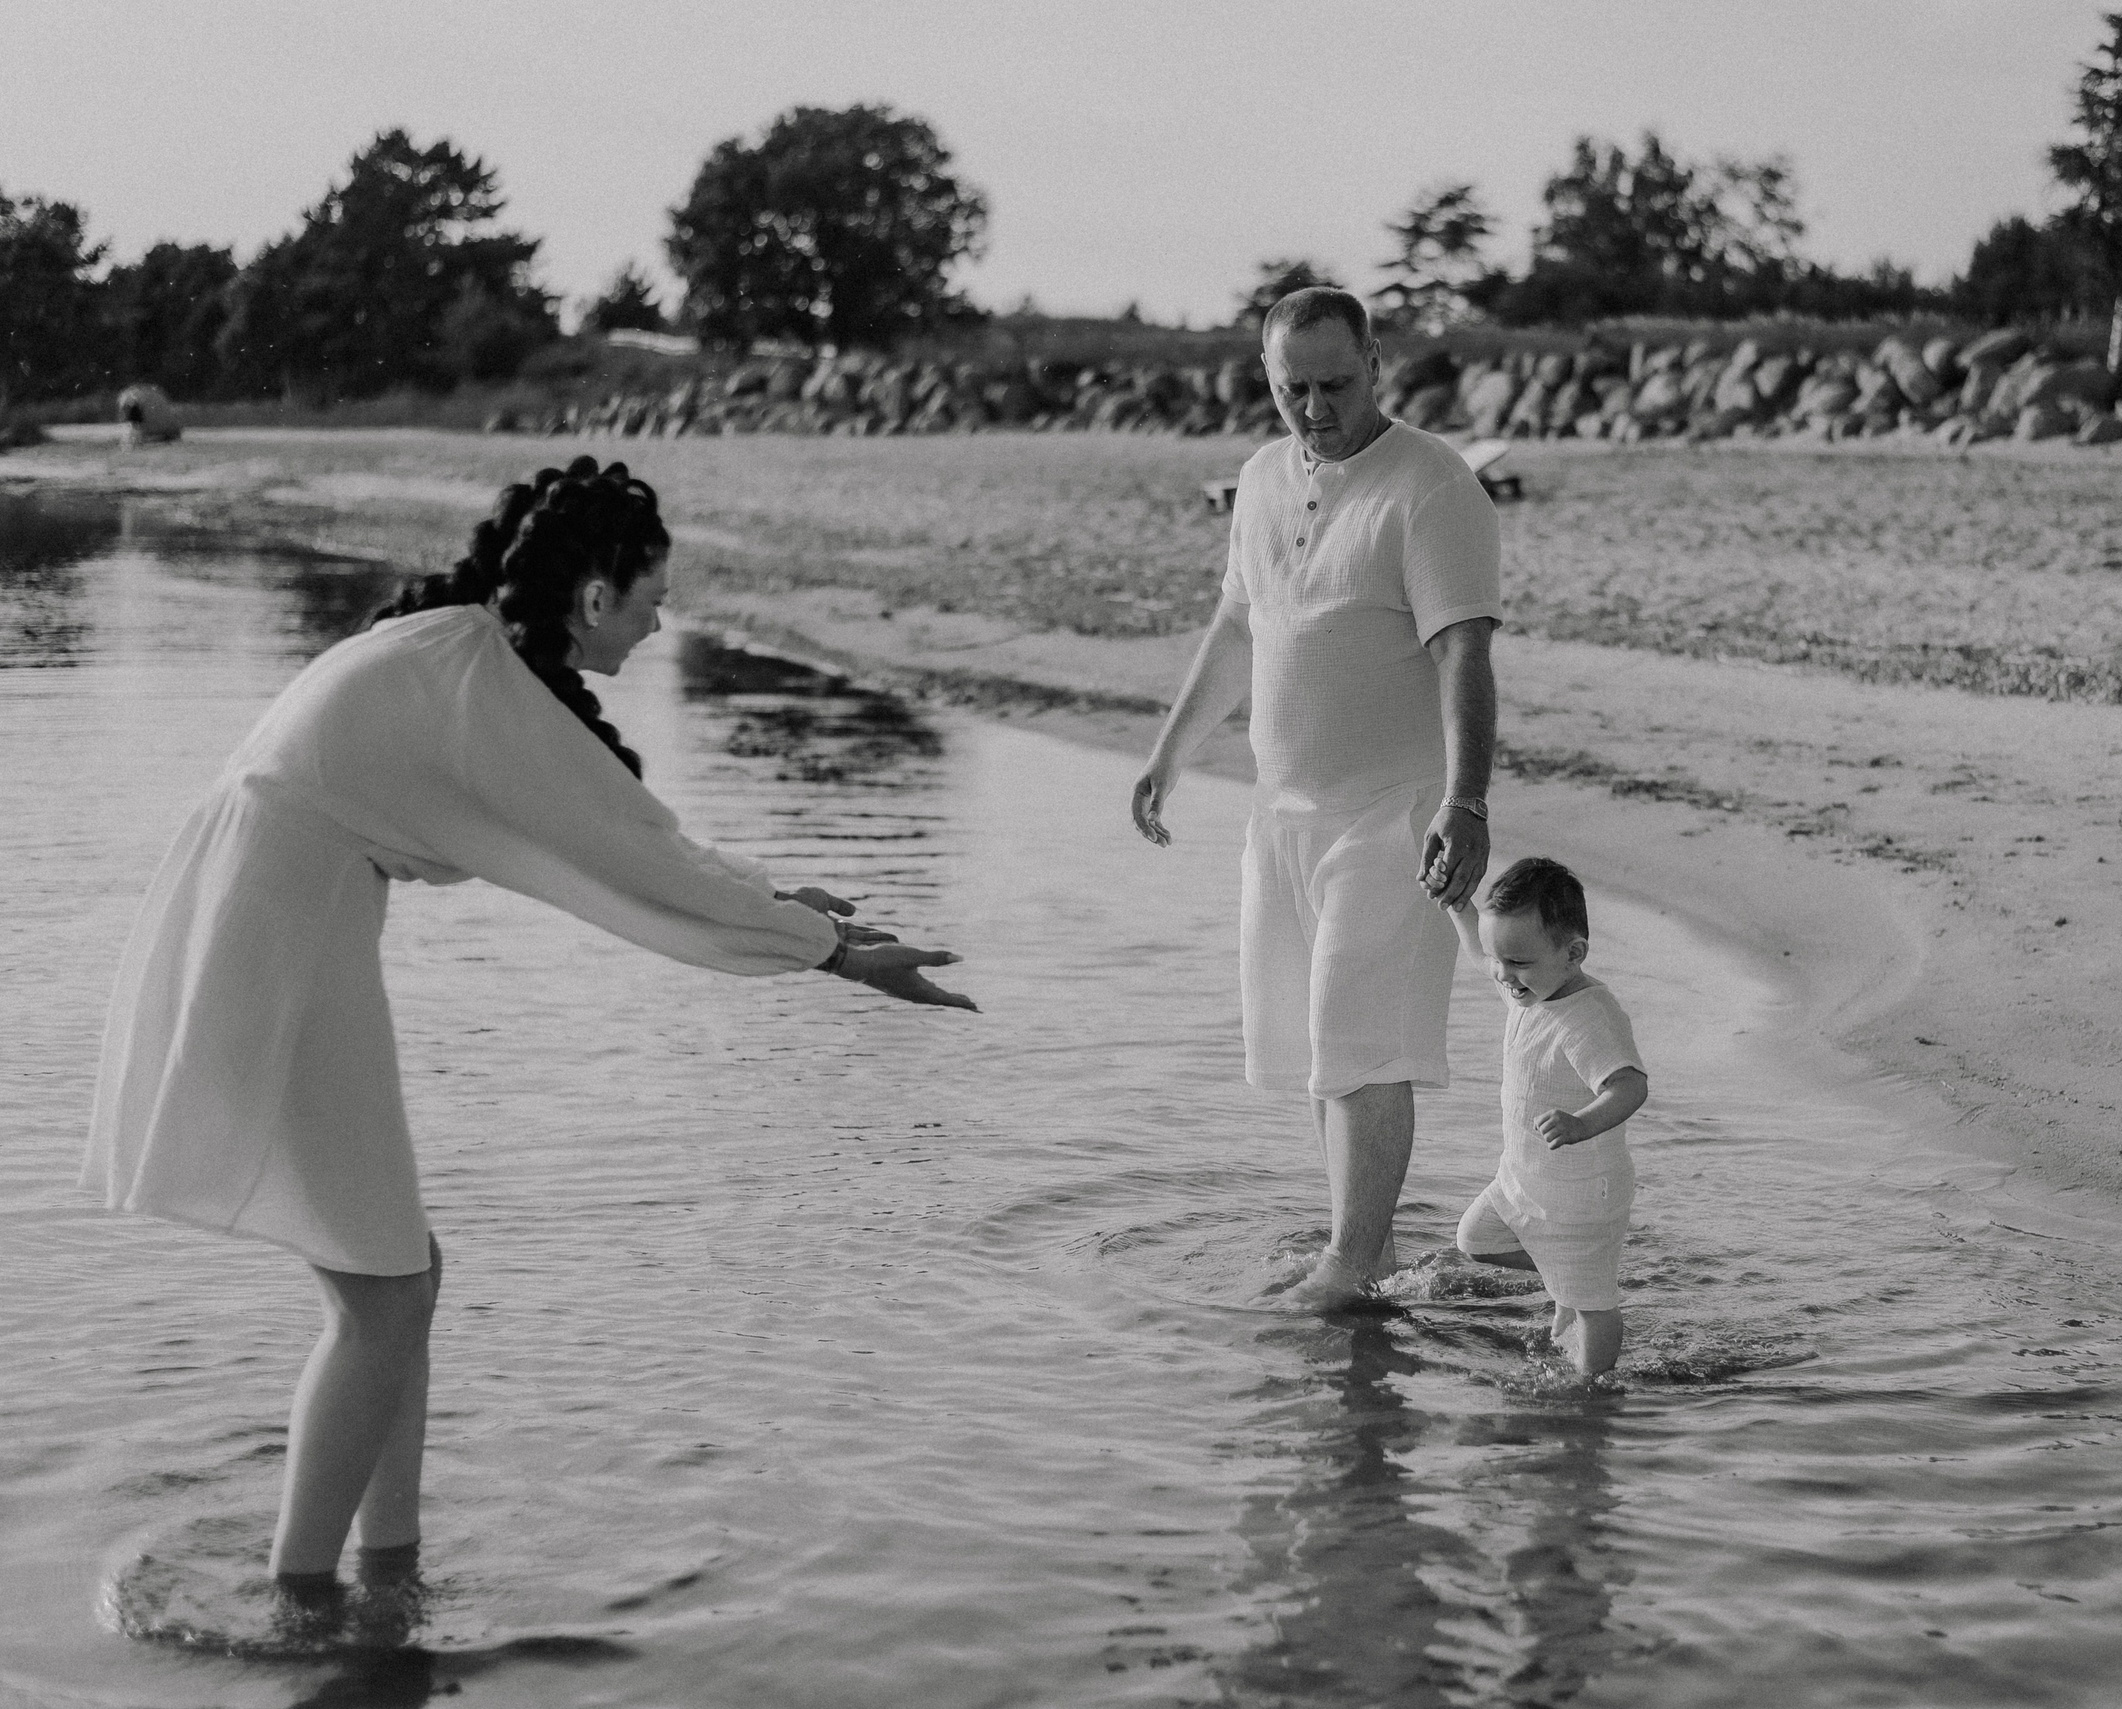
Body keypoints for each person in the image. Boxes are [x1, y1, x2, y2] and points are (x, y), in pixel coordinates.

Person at [84, 457, 972, 1618]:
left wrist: (786, 904)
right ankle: (304, 1600)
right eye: (652, 598)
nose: (659, 625)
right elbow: (626, 851)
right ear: (595, 594)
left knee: (399, 1276)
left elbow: (627, 837)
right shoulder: (482, 680)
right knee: (381, 1292)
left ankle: (386, 1564)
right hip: (276, 933)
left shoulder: (462, 653)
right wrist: (831, 952)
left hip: (275, 911)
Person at [1131, 286, 1500, 1310]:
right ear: (1267, 378)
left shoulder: (1431, 487)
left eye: (1335, 384)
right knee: (1314, 1050)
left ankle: (1356, 1251)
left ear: (1377, 363)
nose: (1315, 407)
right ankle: (1362, 1248)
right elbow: (1239, 627)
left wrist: (1465, 802)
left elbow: (1463, 647)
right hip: (1281, 814)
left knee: (1365, 1036)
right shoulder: (1257, 476)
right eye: (1293, 387)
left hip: (1393, 811)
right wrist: (1168, 755)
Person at [1446, 859, 1649, 1376]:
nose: (1501, 973)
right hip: (1523, 1181)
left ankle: (1593, 1391)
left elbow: (1629, 1085)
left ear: (1573, 953)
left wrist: (1583, 1123)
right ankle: (1564, 1279)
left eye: (1516, 962)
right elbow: (1478, 948)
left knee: (1593, 1305)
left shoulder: (1588, 1019)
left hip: (1581, 1195)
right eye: (1498, 958)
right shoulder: (1532, 986)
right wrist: (1456, 904)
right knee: (1476, 1240)